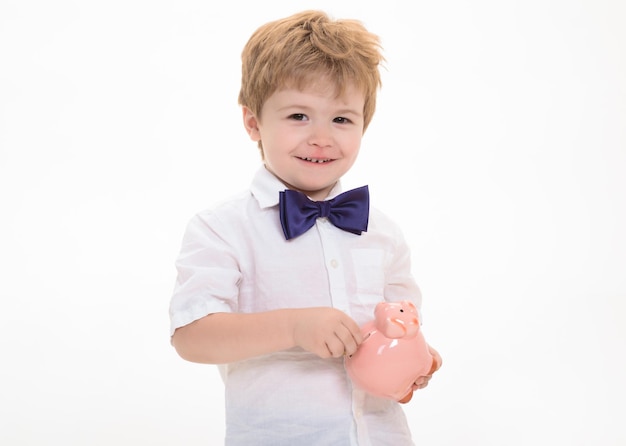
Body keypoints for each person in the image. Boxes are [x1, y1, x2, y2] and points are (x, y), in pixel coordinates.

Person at [169, 9, 442, 445]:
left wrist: (417, 361)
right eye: (299, 116)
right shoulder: (222, 228)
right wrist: (293, 327)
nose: (321, 136)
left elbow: (402, 325)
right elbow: (192, 335)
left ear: (364, 126)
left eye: (341, 119)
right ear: (253, 122)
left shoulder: (382, 233)